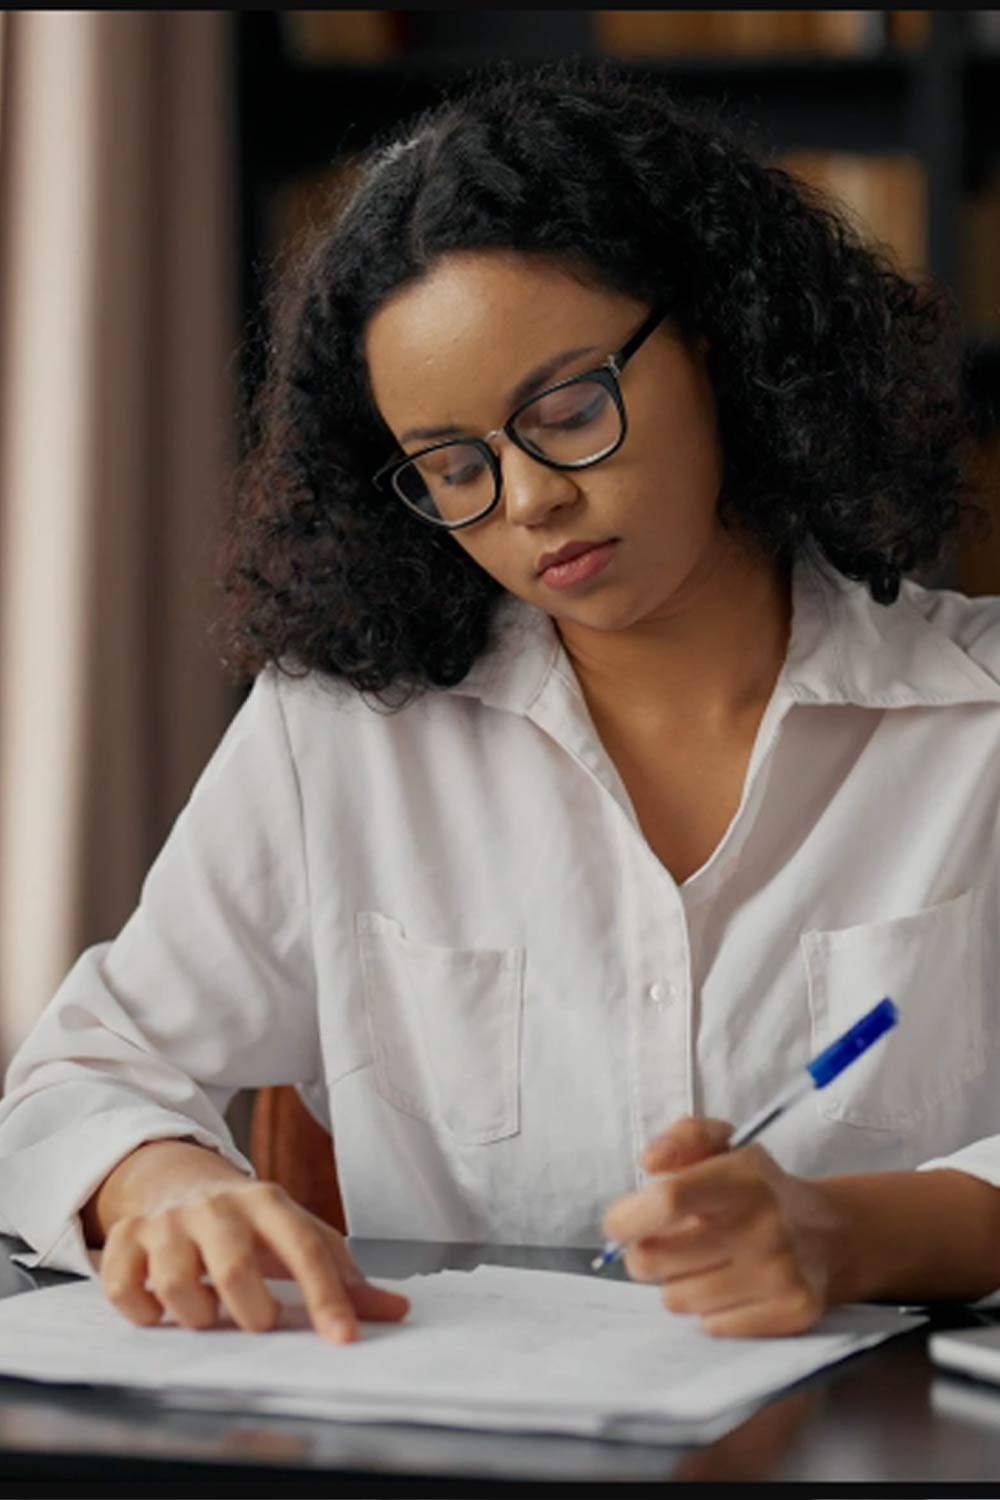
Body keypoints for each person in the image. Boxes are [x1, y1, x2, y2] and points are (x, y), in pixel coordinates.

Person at [2, 55, 1000, 1348]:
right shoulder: (346, 739)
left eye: (569, 411)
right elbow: (76, 1075)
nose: (528, 503)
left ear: (715, 338)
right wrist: (167, 1184)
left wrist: (852, 1232)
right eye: (451, 466)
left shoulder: (976, 725)